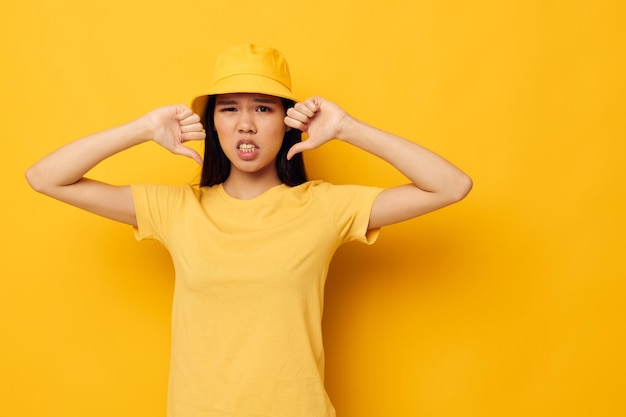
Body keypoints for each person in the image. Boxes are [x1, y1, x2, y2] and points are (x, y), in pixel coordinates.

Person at [26, 43, 472, 417]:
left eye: (263, 108)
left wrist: (346, 128)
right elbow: (45, 177)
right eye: (229, 109)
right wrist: (142, 128)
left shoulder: (324, 206)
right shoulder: (177, 209)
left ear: (288, 121)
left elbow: (452, 186)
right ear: (212, 123)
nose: (245, 123)